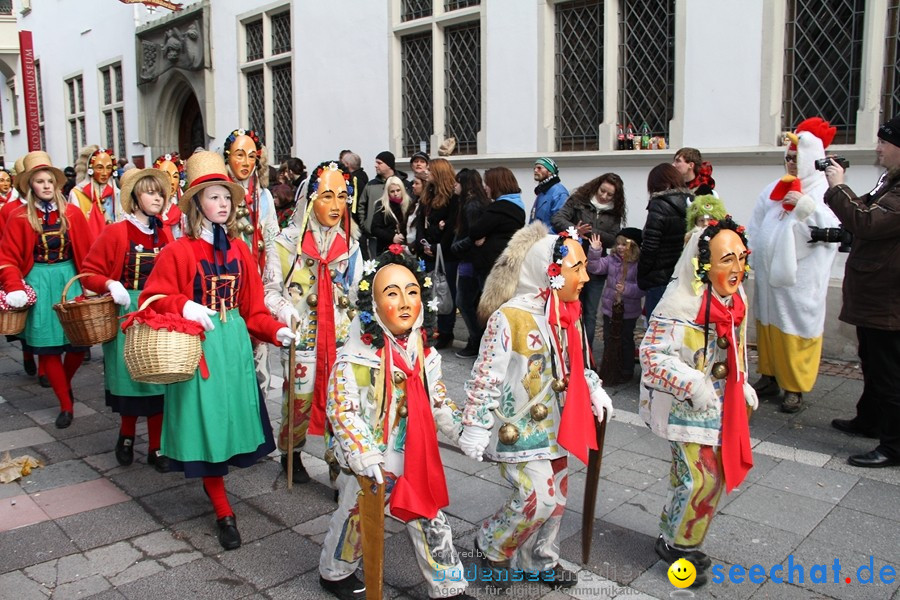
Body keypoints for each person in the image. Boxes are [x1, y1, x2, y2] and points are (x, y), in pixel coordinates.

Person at [138, 151, 295, 550]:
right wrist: (183, 304)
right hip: (197, 350)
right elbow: (151, 299)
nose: (223, 203)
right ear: (196, 203)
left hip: (234, 350)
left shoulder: (241, 251)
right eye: (214, 196)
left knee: (229, 424)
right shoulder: (177, 250)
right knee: (207, 430)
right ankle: (225, 511)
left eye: (226, 196)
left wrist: (277, 332)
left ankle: (222, 498)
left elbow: (253, 309)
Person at [460, 223, 614, 592]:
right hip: (520, 423)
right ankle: (492, 544)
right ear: (549, 271)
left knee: (557, 497)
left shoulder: (567, 313)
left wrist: (592, 388)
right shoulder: (509, 317)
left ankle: (539, 558)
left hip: (559, 421)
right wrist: (476, 423)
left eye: (583, 267)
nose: (585, 277)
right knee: (537, 497)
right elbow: (487, 373)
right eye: (575, 268)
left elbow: (576, 364)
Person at [318, 248, 473, 600]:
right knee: (356, 515)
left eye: (412, 292)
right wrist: (363, 454)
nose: (404, 302)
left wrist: (462, 428)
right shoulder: (355, 355)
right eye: (392, 293)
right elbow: (342, 409)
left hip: (414, 456)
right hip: (373, 459)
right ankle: (334, 571)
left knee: (430, 518)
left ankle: (448, 585)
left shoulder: (424, 351)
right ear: (373, 303)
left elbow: (438, 399)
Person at [639, 216, 757, 588]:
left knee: (706, 477)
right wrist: (691, 383)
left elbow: (737, 347)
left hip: (721, 408)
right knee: (700, 477)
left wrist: (742, 383)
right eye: (727, 260)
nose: (737, 268)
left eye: (741, 258)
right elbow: (652, 356)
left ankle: (680, 537)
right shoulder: (680, 302)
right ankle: (678, 547)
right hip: (682, 408)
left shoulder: (735, 300)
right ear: (704, 264)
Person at [263, 160, 362, 483]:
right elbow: (269, 290)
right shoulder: (284, 245)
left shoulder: (350, 246)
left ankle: (339, 467)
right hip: (302, 338)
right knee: (299, 400)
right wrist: (284, 311)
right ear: (310, 200)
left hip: (340, 340)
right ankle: (291, 451)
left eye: (342, 197)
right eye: (327, 196)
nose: (336, 206)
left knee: (342, 402)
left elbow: (357, 294)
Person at [80, 168, 173, 470]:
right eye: (150, 192)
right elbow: (89, 272)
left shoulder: (166, 232)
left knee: (160, 378)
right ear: (134, 198)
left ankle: (157, 447)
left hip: (158, 310)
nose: (157, 197)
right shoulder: (115, 232)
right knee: (130, 379)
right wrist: (110, 284)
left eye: (160, 192)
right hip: (126, 313)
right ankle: (127, 435)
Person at [748, 117, 841, 413]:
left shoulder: (824, 190)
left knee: (795, 327)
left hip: (799, 280)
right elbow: (757, 222)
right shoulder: (775, 188)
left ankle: (795, 387)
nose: (790, 162)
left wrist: (804, 205)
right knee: (768, 324)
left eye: (795, 157)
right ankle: (770, 375)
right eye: (787, 156)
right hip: (768, 277)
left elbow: (833, 228)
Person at [824, 115, 900, 468]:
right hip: (877, 294)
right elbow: (864, 212)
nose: (878, 147)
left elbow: (867, 221)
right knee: (871, 361)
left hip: (889, 299)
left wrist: (838, 186)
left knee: (889, 372)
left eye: (884, 142)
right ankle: (869, 420)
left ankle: (894, 445)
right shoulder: (890, 182)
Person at [0, 151, 93, 429]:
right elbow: (7, 257)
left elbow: (89, 253)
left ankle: (62, 383)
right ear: (31, 186)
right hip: (38, 280)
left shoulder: (73, 213)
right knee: (48, 348)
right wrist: (14, 285)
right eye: (40, 181)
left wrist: (92, 283)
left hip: (69, 279)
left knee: (79, 343)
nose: (46, 186)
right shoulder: (18, 217)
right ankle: (66, 404)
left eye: (49, 180)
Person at [223, 128, 280, 387]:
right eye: (239, 155)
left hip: (256, 281)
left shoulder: (263, 195)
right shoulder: (219, 193)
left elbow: (272, 237)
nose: (245, 162)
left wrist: (272, 282)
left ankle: (259, 414)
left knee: (260, 356)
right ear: (227, 157)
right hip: (226, 283)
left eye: (251, 156)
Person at [552, 173, 627, 348]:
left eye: (610, 195)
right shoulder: (579, 199)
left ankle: (586, 353)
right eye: (603, 191)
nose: (604, 196)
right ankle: (565, 349)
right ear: (597, 186)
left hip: (595, 266)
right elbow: (557, 219)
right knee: (568, 306)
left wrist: (592, 233)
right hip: (571, 261)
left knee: (590, 312)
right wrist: (575, 230)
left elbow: (614, 237)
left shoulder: (615, 211)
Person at [588, 227, 644, 383]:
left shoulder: (638, 264)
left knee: (626, 339)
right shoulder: (612, 259)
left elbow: (641, 289)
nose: (620, 247)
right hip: (609, 308)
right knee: (608, 338)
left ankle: (626, 369)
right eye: (618, 244)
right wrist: (595, 252)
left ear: (633, 246)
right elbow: (595, 267)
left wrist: (627, 289)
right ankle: (610, 367)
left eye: (624, 244)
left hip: (628, 311)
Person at [413, 157, 459, 348]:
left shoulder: (452, 198)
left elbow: (451, 228)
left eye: (430, 170)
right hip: (427, 251)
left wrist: (436, 242)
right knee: (428, 291)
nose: (426, 173)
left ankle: (446, 332)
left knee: (444, 291)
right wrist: (424, 241)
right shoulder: (427, 195)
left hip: (444, 253)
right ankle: (431, 329)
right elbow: (422, 222)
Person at [638, 163, 693, 317]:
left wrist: (642, 273)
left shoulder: (659, 205)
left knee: (657, 328)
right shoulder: (692, 203)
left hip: (658, 279)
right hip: (683, 277)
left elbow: (650, 246)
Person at [449, 168, 491, 358]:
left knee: (464, 301)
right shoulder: (469, 203)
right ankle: (478, 338)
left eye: (457, 182)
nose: (454, 185)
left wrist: (456, 247)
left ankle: (476, 339)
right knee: (470, 302)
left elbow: (475, 236)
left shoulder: (472, 206)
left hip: (471, 262)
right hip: (472, 261)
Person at [357, 151, 409, 259]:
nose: (376, 165)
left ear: (388, 165)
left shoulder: (404, 184)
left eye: (379, 163)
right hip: (375, 237)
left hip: (402, 241)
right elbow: (361, 206)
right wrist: (365, 225)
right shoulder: (371, 185)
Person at [68, 145, 121, 240]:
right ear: (91, 169)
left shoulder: (117, 193)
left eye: (109, 168)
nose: (105, 173)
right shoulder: (78, 193)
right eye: (100, 168)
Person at [370, 175, 413, 256]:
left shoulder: (409, 203)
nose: (396, 194)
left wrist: (403, 235)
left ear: (402, 190)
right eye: (392, 191)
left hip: (405, 246)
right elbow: (375, 228)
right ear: (388, 192)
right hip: (385, 248)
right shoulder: (381, 205)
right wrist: (392, 237)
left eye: (398, 190)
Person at [152, 152, 186, 240]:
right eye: (166, 175)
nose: (171, 182)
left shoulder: (184, 209)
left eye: (175, 177)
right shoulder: (148, 207)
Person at [529, 157, 568, 230]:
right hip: (537, 238)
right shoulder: (541, 191)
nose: (535, 170)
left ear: (550, 172)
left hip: (549, 239)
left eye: (539, 168)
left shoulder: (559, 192)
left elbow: (560, 221)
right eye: (534, 168)